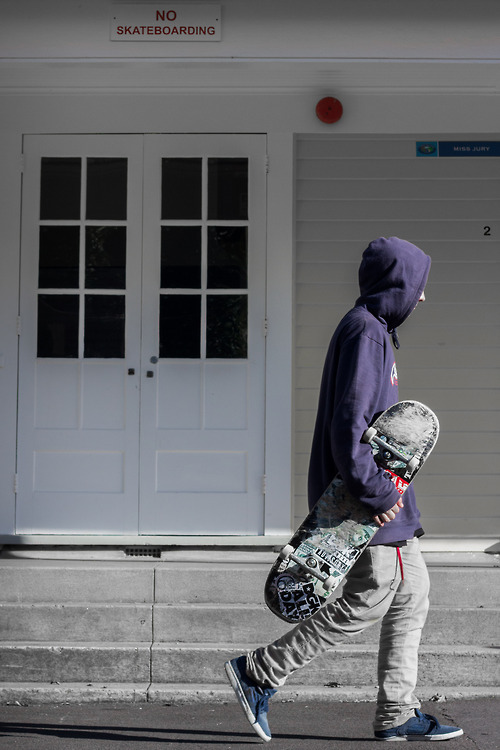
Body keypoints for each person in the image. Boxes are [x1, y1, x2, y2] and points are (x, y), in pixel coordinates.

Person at [225, 237, 463, 742]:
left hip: (383, 495)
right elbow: (348, 426)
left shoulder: (372, 331)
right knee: (372, 597)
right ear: (397, 282)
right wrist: (375, 495)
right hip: (368, 499)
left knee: (413, 592)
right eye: (418, 287)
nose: (421, 299)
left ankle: (397, 712)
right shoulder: (366, 334)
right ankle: (261, 671)